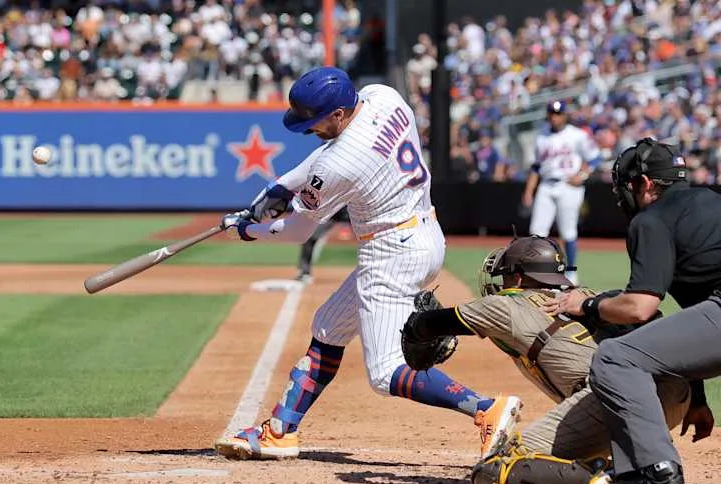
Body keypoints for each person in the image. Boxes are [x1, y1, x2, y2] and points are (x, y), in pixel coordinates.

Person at [213, 66, 521, 461]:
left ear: (339, 113)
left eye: (315, 121)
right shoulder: (383, 95)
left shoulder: (341, 164)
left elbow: (298, 230)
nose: (309, 129)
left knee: (384, 372)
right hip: (422, 233)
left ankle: (485, 409)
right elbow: (324, 156)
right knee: (328, 326)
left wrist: (246, 229)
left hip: (391, 252)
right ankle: (281, 430)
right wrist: (277, 188)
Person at [399, 235, 690, 484]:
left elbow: (432, 324)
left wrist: (415, 327)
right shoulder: (586, 295)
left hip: (616, 401)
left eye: (506, 275)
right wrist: (697, 399)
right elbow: (656, 327)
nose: (502, 282)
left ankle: (611, 479)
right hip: (676, 395)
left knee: (493, 470)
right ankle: (634, 461)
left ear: (519, 276)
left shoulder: (505, 305)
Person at [547, 138, 720, 484]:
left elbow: (639, 308)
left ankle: (659, 480)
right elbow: (694, 319)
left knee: (615, 358)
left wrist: (588, 303)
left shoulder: (652, 218)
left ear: (644, 185)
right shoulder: (710, 202)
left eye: (625, 186)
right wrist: (699, 398)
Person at [521, 100, 600, 285]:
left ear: (565, 115)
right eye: (552, 113)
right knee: (536, 232)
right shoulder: (542, 137)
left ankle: (571, 272)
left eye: (558, 113)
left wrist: (582, 175)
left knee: (568, 232)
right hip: (547, 185)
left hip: (568, 186)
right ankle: (536, 271)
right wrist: (529, 190)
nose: (555, 117)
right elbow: (536, 167)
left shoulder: (577, 135)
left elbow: (595, 158)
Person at [294, 206, 350, 284]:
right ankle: (305, 272)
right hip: (330, 214)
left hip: (353, 211)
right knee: (309, 238)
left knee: (368, 237)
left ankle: (371, 270)